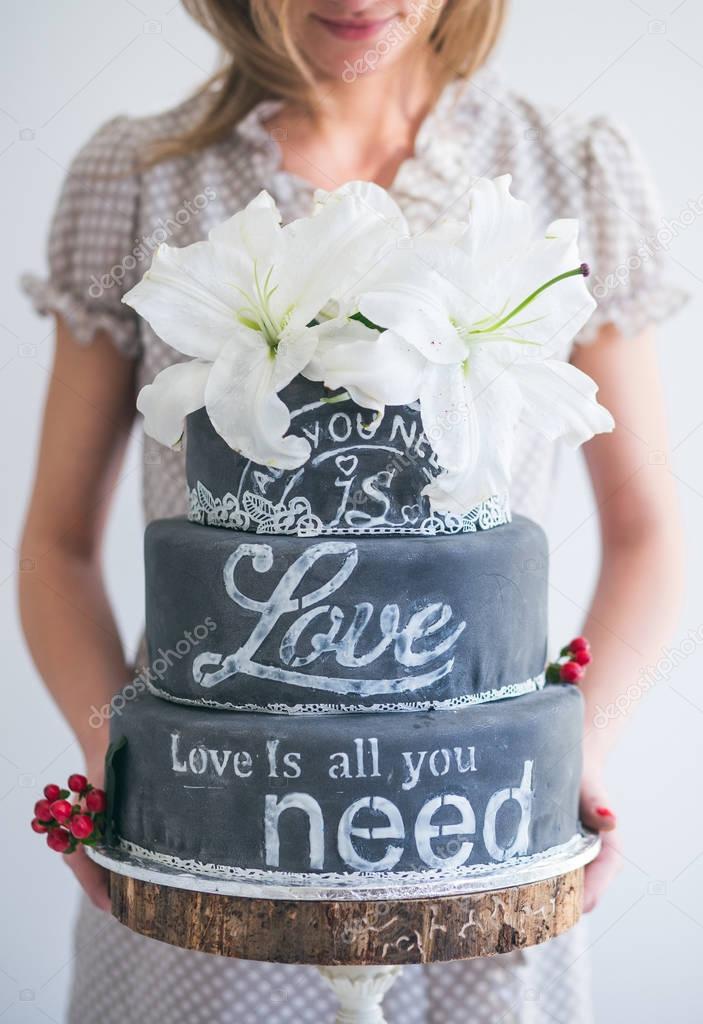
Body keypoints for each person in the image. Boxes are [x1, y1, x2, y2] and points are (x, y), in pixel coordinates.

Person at [20, 2, 684, 1021]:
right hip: (222, 833)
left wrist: (570, 751)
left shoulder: (568, 170)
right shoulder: (143, 176)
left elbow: (646, 528)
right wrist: (124, 764)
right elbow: (59, 543)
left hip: (482, 828)